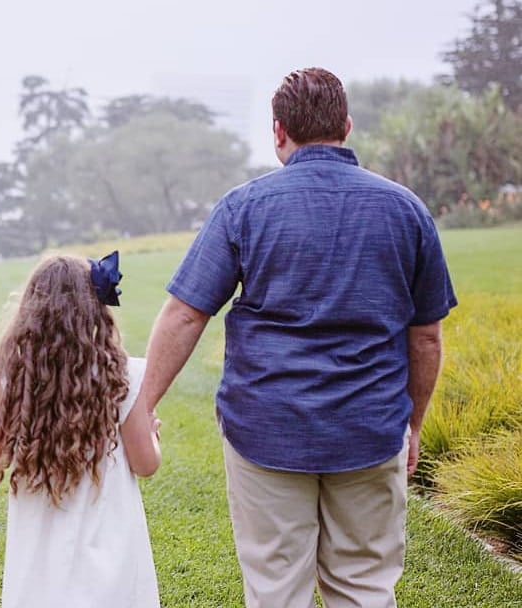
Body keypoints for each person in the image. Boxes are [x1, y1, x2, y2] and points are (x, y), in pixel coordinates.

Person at [132, 67, 457, 607]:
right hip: (370, 429)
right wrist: (412, 425)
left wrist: (140, 407)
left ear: (278, 131)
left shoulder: (244, 207)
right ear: (346, 126)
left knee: (276, 589)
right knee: (365, 585)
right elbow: (426, 338)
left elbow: (186, 315)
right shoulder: (407, 210)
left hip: (266, 429)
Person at [0, 253, 163, 608]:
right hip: (112, 551)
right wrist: (152, 435)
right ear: (96, 309)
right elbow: (146, 463)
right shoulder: (126, 376)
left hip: (42, 558)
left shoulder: (17, 378)